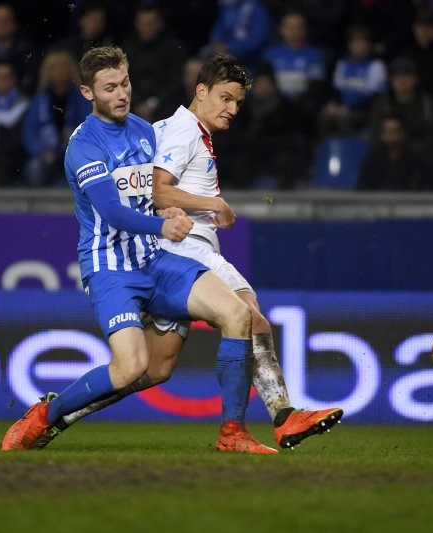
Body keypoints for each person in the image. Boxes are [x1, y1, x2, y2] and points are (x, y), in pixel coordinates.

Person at [27, 53, 343, 453]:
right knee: (239, 320)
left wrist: (161, 208)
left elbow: (150, 188)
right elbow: (126, 203)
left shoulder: (148, 130)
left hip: (157, 257)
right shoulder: (131, 137)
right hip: (136, 258)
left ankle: (235, 431)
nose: (123, 93)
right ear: (87, 92)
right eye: (225, 99)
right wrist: (191, 211)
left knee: (158, 367)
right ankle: (282, 415)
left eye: (125, 83)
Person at [21, 51, 91, 186]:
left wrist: (75, 136)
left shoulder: (82, 99)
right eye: (55, 67)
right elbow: (29, 132)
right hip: (46, 153)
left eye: (63, 67)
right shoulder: (39, 100)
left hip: (74, 152)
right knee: (34, 168)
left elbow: (91, 126)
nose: (60, 71)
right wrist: (42, 151)